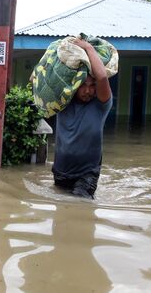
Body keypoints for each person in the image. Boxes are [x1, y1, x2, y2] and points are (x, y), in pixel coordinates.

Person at [52, 38, 112, 199]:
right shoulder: (63, 102)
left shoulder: (101, 106)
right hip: (60, 171)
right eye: (83, 85)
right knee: (61, 216)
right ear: (74, 85)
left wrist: (88, 48)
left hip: (87, 174)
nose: (87, 91)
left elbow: (102, 78)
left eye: (92, 86)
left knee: (80, 207)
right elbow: (55, 76)